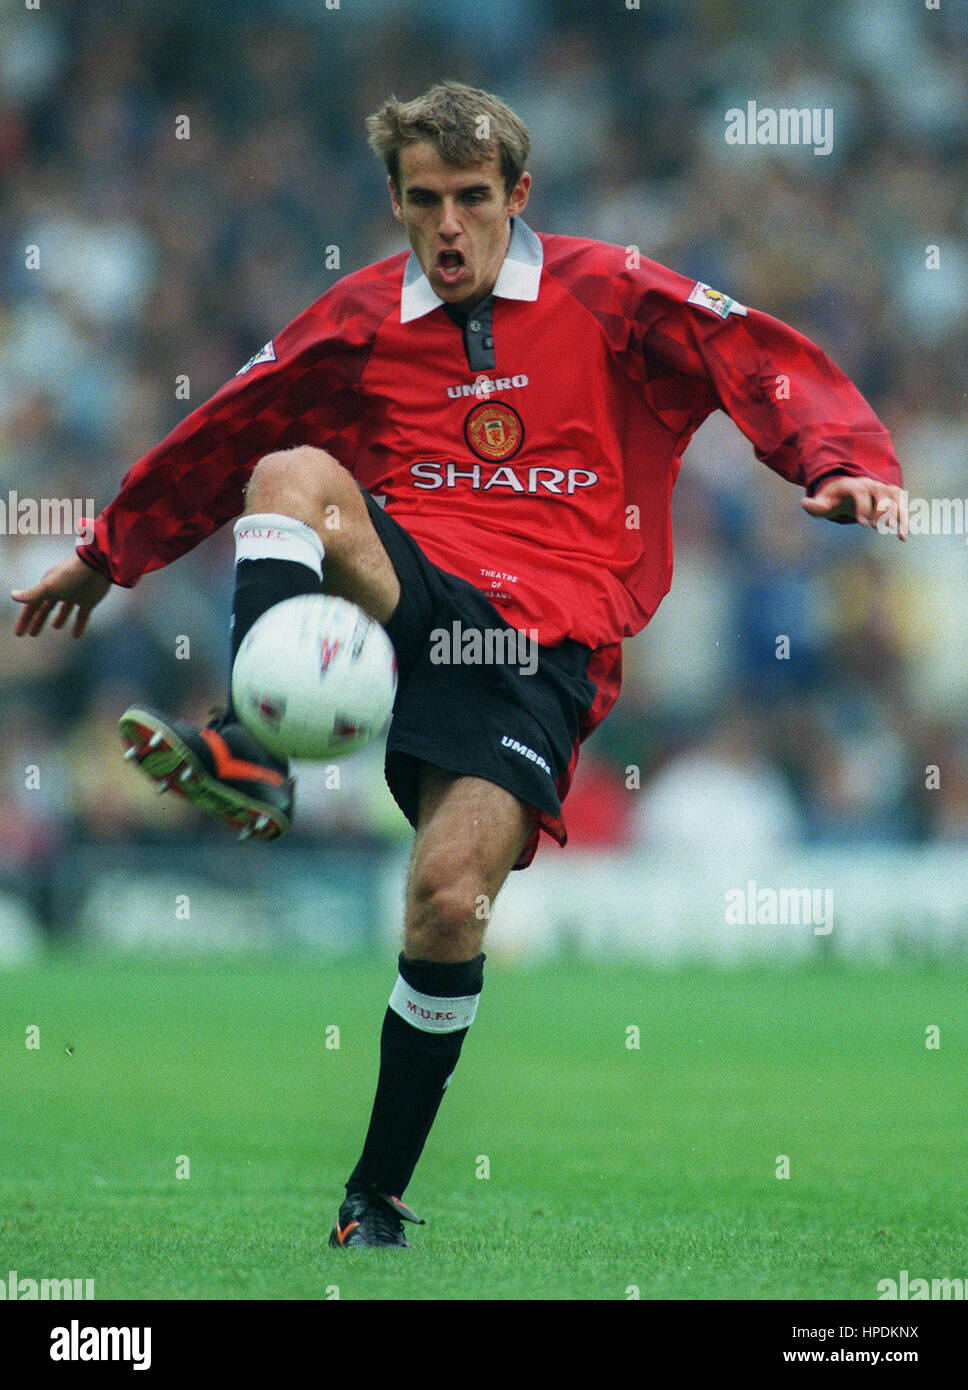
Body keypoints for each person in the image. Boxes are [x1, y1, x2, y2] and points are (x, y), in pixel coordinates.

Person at [12, 81, 907, 1249]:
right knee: (287, 469)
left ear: (515, 196)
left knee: (444, 902)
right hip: (417, 595)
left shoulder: (607, 292)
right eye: (423, 200)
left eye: (471, 199)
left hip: (545, 648)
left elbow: (749, 353)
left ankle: (372, 1198)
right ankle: (253, 745)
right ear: (392, 201)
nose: (447, 226)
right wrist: (106, 549)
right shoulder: (358, 316)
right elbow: (228, 422)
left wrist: (835, 460)